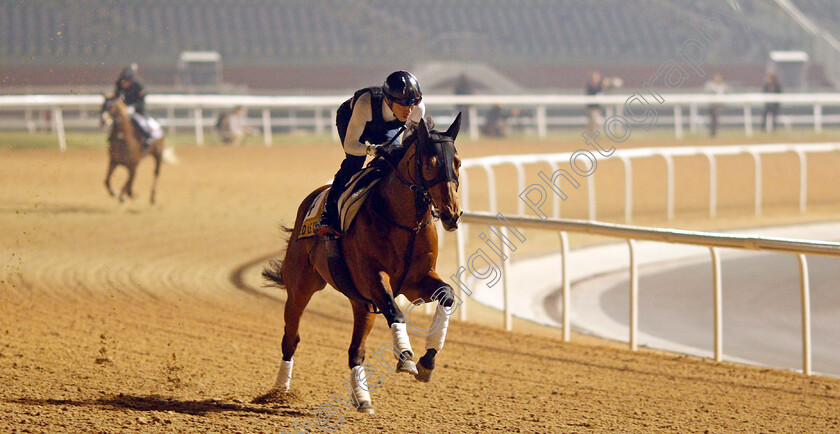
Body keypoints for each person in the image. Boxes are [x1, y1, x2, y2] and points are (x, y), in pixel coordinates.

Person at [314, 70, 426, 237]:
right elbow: (350, 145)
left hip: (385, 125)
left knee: (393, 160)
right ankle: (328, 217)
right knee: (355, 161)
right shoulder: (365, 104)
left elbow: (407, 148)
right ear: (388, 99)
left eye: (413, 102)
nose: (409, 109)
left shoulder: (417, 109)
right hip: (352, 118)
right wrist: (370, 149)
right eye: (403, 103)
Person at [114, 64, 162, 148]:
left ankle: (148, 137)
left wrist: (134, 107)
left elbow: (141, 101)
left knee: (140, 122)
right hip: (125, 107)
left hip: (138, 109)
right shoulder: (119, 83)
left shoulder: (139, 85)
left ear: (131, 81)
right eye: (123, 82)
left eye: (126, 82)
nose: (124, 84)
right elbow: (117, 95)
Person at [704, 73, 727, 138]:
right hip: (712, 106)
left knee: (716, 120)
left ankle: (714, 133)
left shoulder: (722, 85)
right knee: (713, 120)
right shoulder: (710, 85)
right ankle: (712, 133)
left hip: (719, 106)